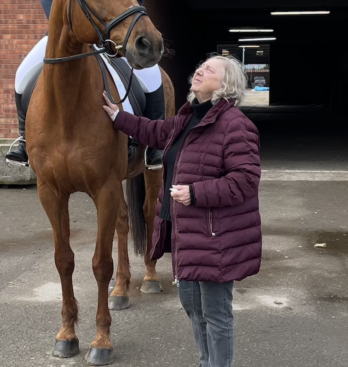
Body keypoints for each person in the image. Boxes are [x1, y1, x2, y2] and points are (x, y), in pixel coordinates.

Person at [101, 54, 262, 367]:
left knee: (215, 313)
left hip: (215, 237)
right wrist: (118, 117)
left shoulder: (236, 126)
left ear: (226, 84)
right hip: (186, 235)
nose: (200, 69)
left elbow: (245, 181)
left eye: (210, 69)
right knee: (192, 305)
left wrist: (195, 193)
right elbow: (156, 132)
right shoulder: (188, 118)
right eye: (200, 66)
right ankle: (206, 362)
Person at [6, 0, 167, 169]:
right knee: (22, 74)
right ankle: (24, 139)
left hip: (109, 36)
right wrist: (59, 23)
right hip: (69, 33)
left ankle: (153, 144)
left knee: (151, 75)